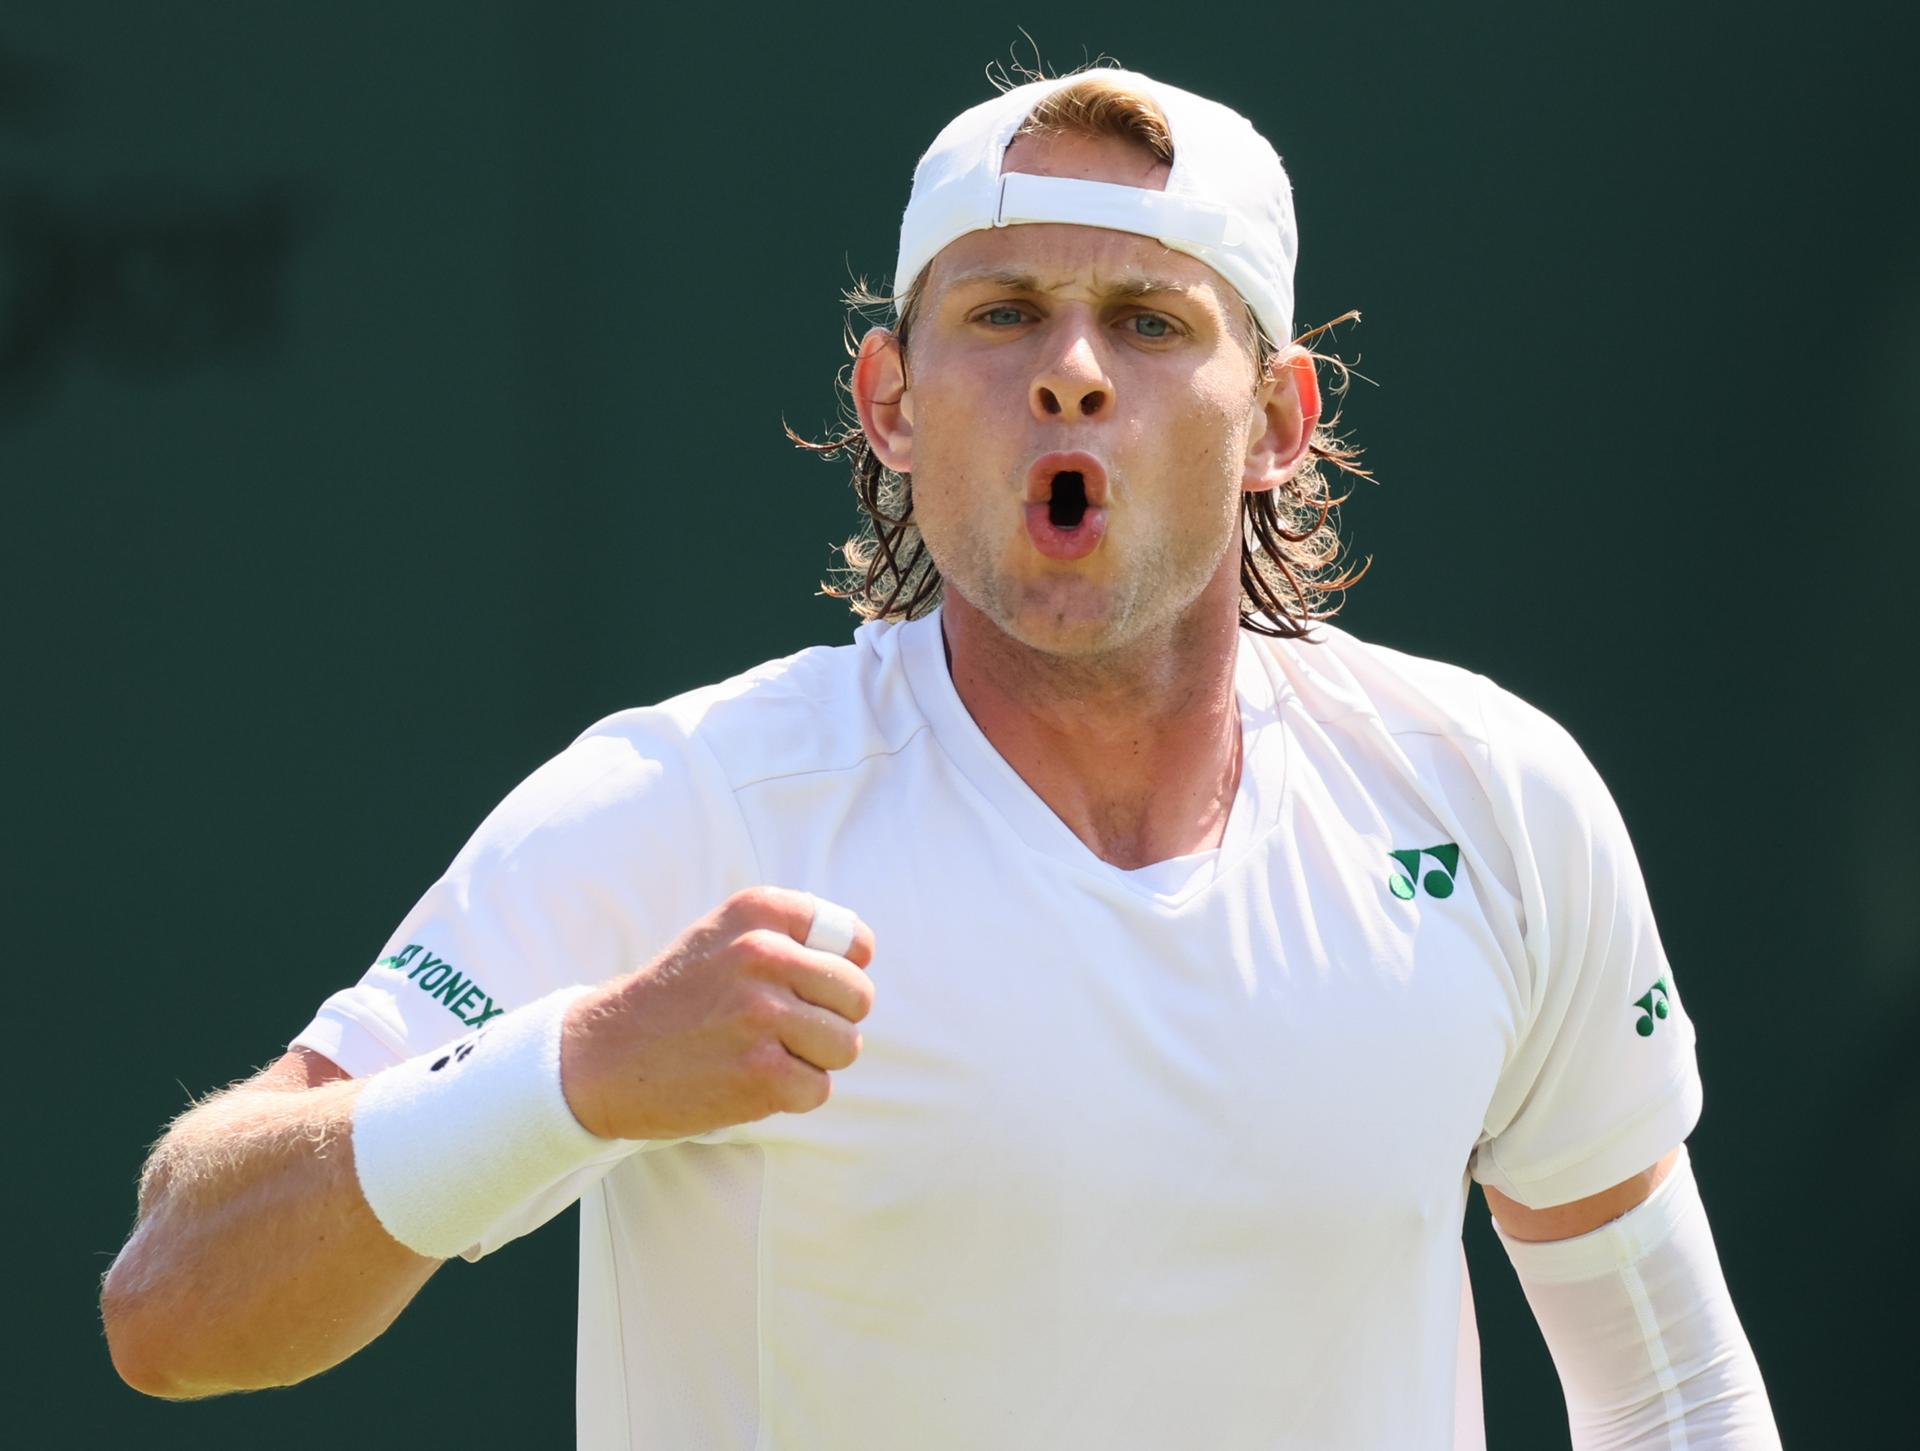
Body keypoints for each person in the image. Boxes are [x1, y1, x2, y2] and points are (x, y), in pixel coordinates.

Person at [101, 66, 1782, 1450]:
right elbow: (174, 1300)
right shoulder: (690, 806)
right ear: (892, 405)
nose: (1069, 372)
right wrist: (583, 1068)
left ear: (1277, 422)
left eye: (1144, 320)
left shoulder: (1489, 799)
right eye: (1005, 314)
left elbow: (1677, 1394)